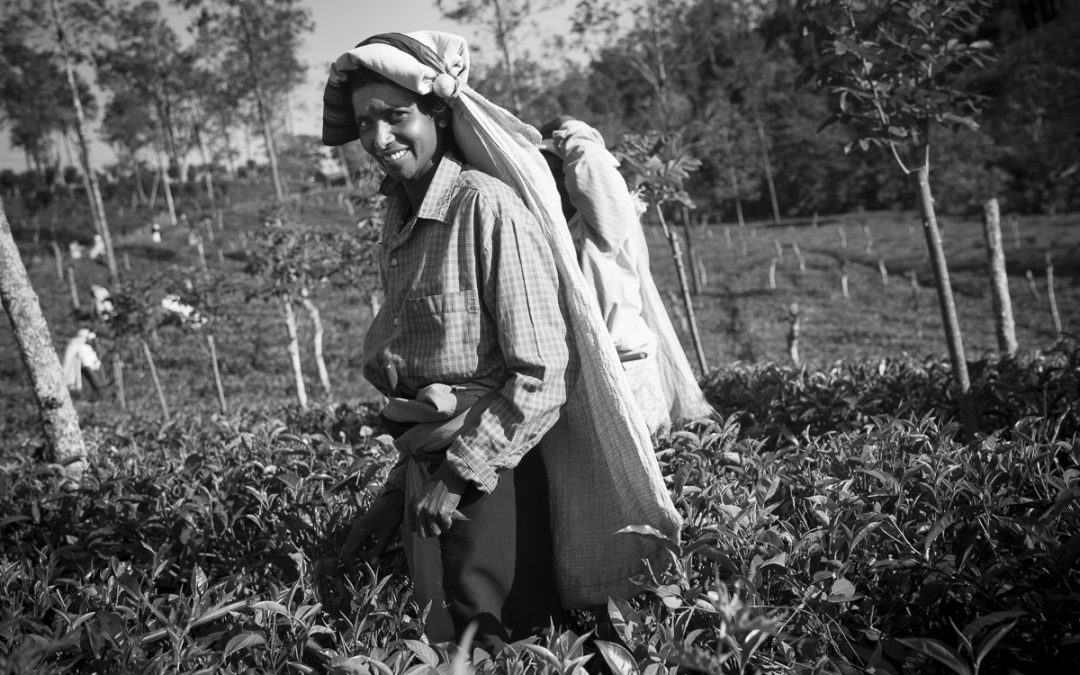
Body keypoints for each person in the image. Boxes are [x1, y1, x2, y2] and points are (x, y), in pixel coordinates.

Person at [324, 31, 680, 651]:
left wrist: (458, 478)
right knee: (443, 644)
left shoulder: (488, 210)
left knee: (499, 644)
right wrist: (396, 492)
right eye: (364, 123)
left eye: (395, 116)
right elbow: (419, 375)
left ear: (438, 112)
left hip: (494, 477)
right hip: (433, 467)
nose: (379, 139)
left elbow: (540, 374)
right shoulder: (399, 218)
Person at [538, 116, 714, 433]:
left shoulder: (602, 223)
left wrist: (568, 128)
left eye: (557, 170)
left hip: (626, 364)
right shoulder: (559, 232)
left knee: (650, 460)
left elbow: (589, 161)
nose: (551, 180)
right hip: (593, 370)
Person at [62, 328, 106, 398]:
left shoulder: (84, 346)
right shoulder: (78, 346)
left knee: (95, 384)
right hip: (84, 369)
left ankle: (97, 394)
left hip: (88, 368)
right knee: (94, 384)